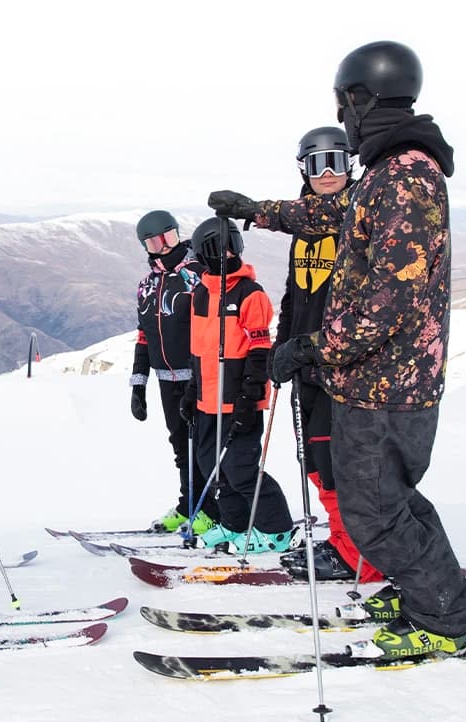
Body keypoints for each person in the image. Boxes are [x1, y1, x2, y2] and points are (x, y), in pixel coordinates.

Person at [208, 41, 466, 658]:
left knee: (372, 510)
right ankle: (429, 594)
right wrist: (257, 213)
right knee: (392, 499)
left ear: (360, 100)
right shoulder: (389, 172)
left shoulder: (404, 179)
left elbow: (388, 300)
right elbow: (329, 216)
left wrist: (313, 348)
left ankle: (442, 621)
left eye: (344, 105)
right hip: (382, 379)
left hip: (386, 382)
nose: (344, 120)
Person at [269, 127, 383, 583]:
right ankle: (342, 541)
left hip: (346, 368)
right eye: (318, 164)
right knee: (314, 462)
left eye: (338, 160)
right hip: (306, 364)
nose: (330, 172)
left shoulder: (358, 217)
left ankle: (362, 553)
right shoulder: (305, 234)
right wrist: (282, 346)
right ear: (304, 170)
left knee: (340, 464)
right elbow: (296, 297)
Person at [179, 217, 294, 552]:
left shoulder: (250, 294)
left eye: (232, 246)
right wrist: (191, 391)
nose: (227, 254)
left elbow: (260, 350)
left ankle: (276, 530)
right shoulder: (200, 295)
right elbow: (198, 349)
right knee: (210, 467)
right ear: (204, 254)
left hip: (238, 400)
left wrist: (251, 394)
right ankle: (235, 523)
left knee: (240, 468)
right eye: (218, 248)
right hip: (207, 400)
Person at [130, 210, 217, 535]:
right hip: (167, 380)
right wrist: (138, 384)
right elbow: (143, 335)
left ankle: (211, 510)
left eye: (169, 237)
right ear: (147, 247)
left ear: (179, 234)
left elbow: (209, 328)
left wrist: (200, 375)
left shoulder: (197, 275)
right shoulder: (147, 286)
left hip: (199, 377)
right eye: (155, 242)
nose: (164, 247)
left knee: (203, 447)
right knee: (181, 446)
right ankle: (189, 505)